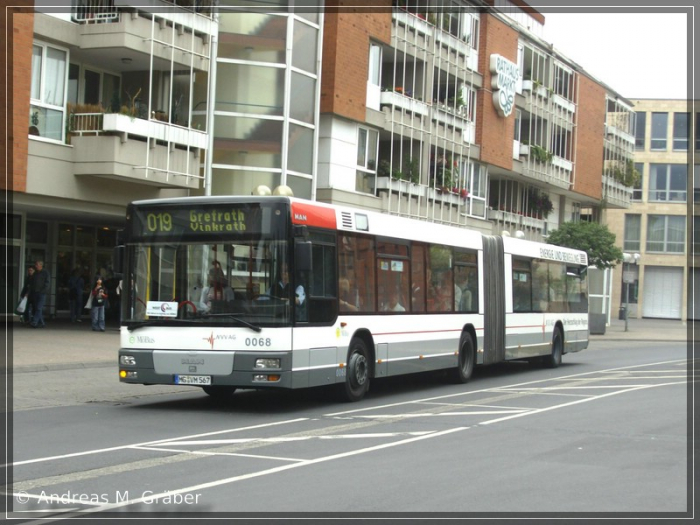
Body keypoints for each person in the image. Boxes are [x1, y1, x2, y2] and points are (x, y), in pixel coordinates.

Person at [30, 260, 50, 328]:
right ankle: (42, 322)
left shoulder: (45, 273)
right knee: (37, 308)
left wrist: (43, 291)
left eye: (37, 265)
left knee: (39, 307)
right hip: (35, 292)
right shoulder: (35, 273)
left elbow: (47, 283)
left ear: (41, 265)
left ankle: (34, 322)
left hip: (41, 293)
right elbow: (32, 283)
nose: (36, 266)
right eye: (35, 265)